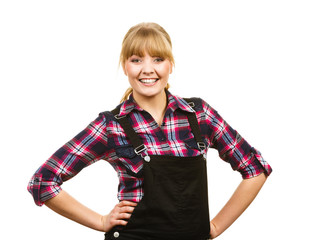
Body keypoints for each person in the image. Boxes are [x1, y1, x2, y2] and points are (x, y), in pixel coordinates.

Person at [27, 22, 272, 240]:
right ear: (124, 66)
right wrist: (100, 221)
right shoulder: (111, 125)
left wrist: (216, 226)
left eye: (157, 59)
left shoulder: (199, 115)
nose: (147, 69)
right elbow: (43, 181)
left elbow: (255, 168)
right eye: (136, 59)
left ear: (171, 64)